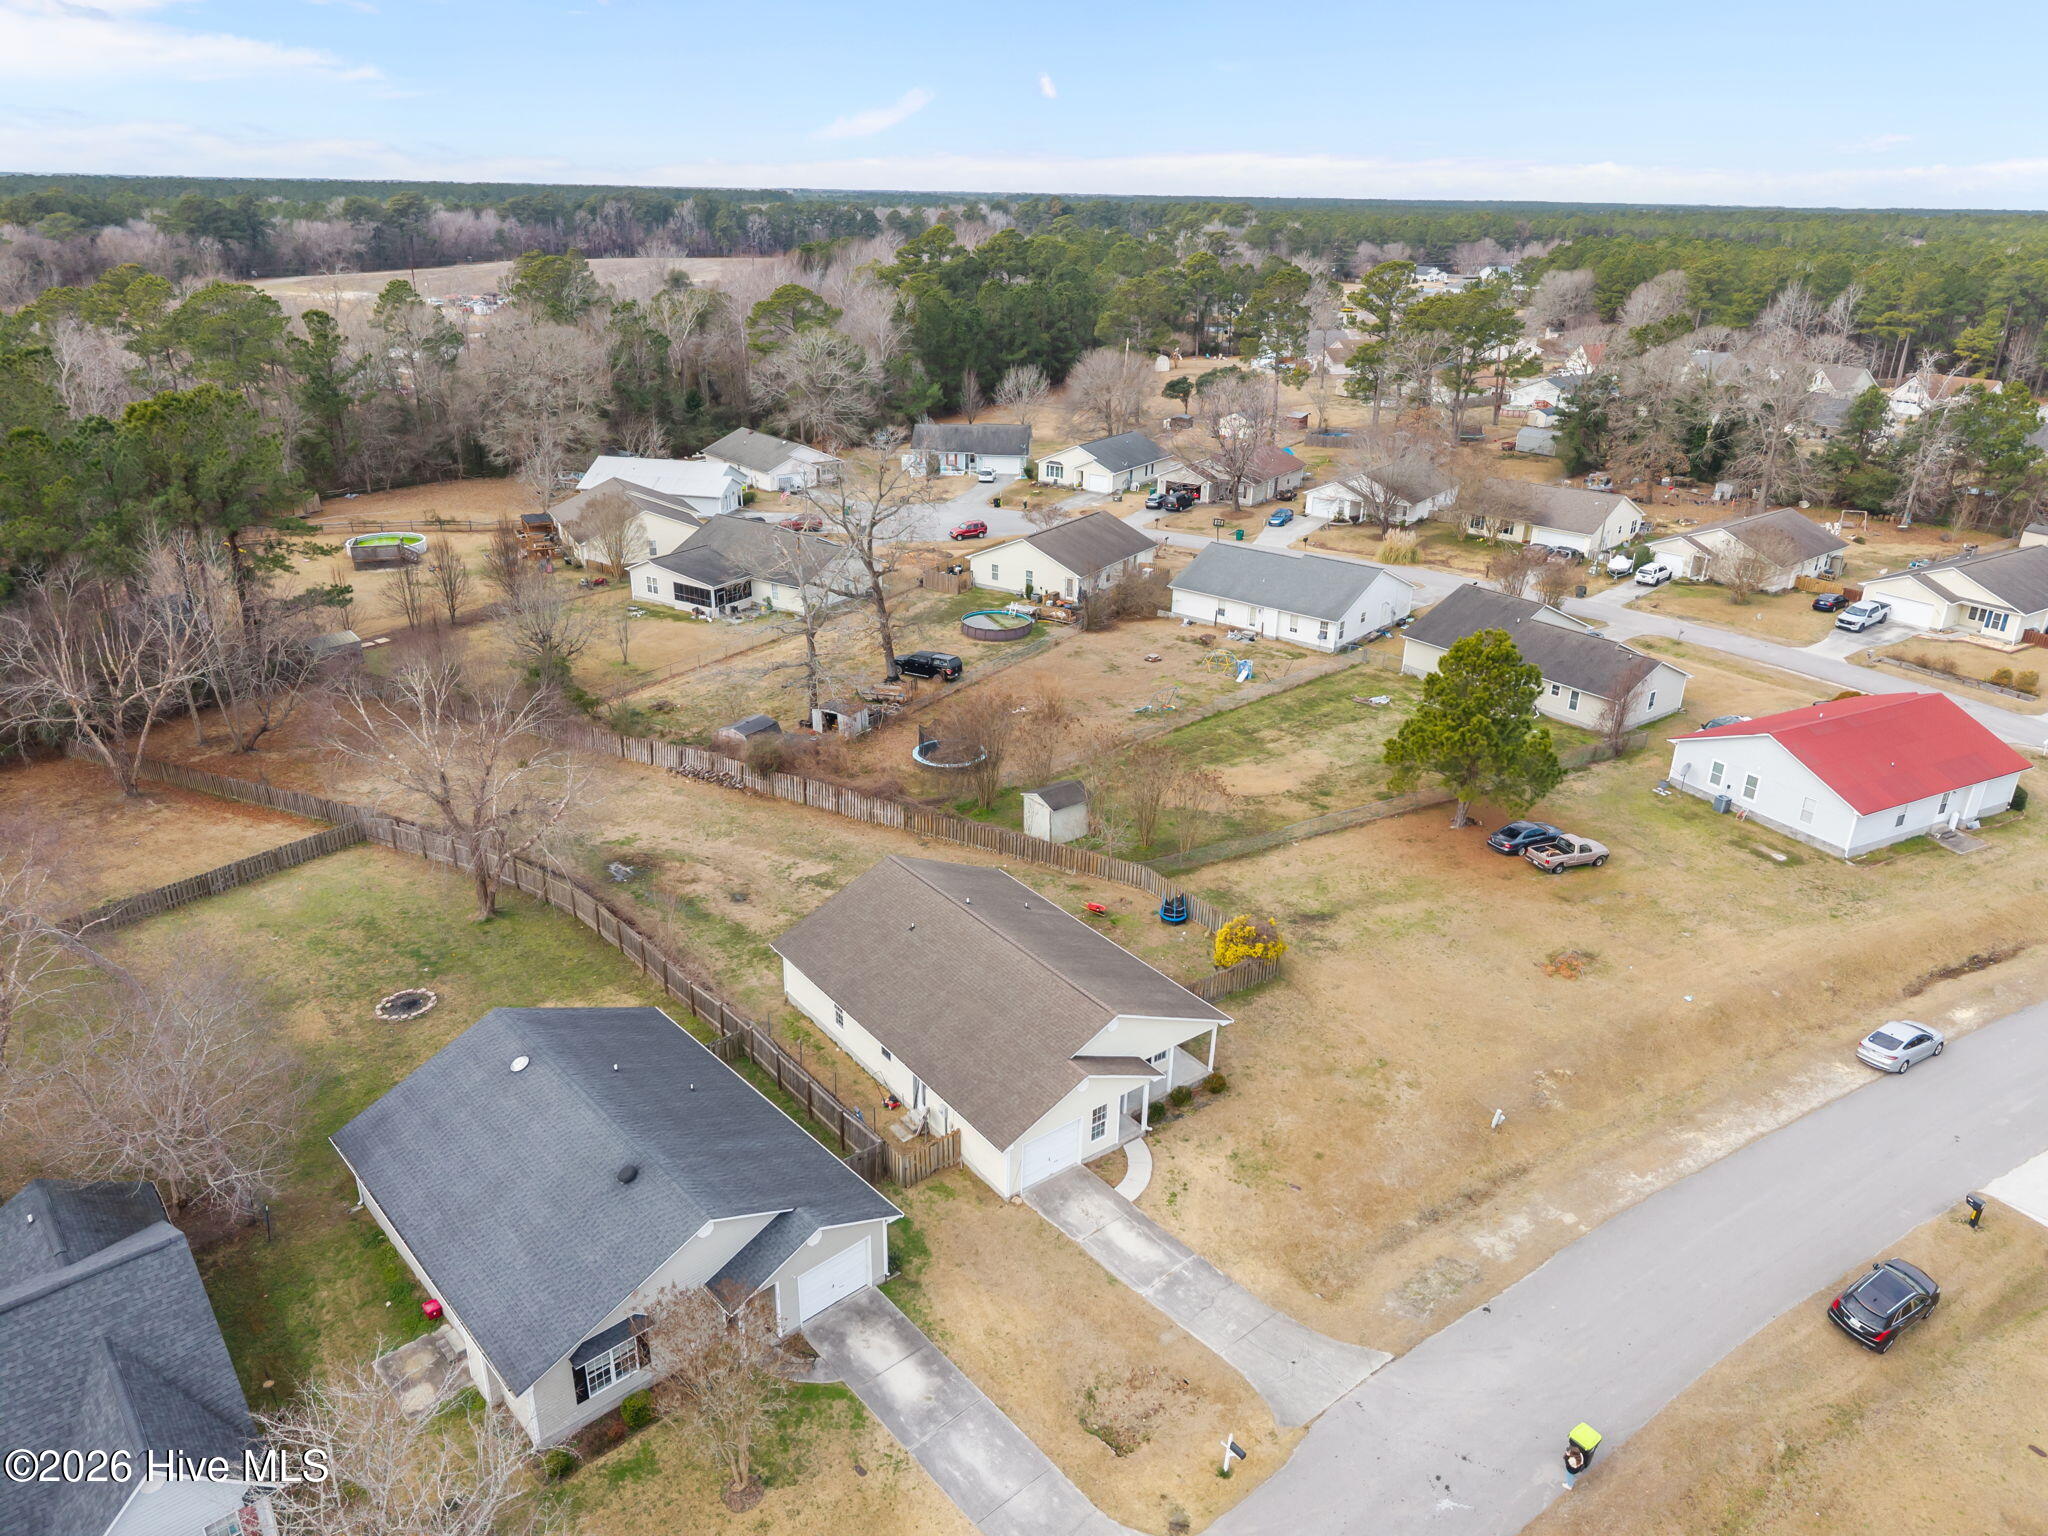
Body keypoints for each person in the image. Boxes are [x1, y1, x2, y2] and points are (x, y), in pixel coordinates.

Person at [1562, 1422, 1602, 1488]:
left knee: (1569, 1474)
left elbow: (1568, 1463)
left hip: (1572, 1469)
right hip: (1578, 1467)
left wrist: (1566, 1456)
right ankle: (1572, 1479)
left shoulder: (1571, 1459)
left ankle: (1569, 1485)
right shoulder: (1580, 1456)